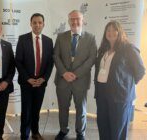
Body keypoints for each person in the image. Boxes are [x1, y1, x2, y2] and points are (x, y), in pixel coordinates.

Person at [94, 20, 145, 140]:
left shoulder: (128, 49)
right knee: (103, 125)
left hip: (119, 96)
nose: (110, 32)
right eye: (108, 30)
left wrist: (126, 85)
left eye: (114, 30)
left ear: (119, 32)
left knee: (118, 129)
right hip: (102, 93)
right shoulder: (103, 50)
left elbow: (140, 71)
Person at [53, 10, 97, 140]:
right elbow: (56, 56)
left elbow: (92, 58)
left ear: (82, 20)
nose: (74, 22)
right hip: (62, 80)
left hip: (81, 81)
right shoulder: (61, 37)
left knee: (81, 109)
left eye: (77, 19)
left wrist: (75, 74)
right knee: (63, 108)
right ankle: (63, 130)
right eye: (72, 19)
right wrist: (64, 73)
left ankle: (80, 133)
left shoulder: (91, 38)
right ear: (68, 21)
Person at [15, 13, 53, 140]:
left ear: (43, 24)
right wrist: (28, 78)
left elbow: (50, 63)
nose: (37, 25)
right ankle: (24, 135)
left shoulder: (48, 41)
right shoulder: (23, 39)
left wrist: (44, 78)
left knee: (36, 109)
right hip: (27, 82)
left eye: (40, 22)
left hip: (41, 83)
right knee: (26, 111)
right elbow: (18, 61)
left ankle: (35, 132)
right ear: (30, 24)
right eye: (34, 22)